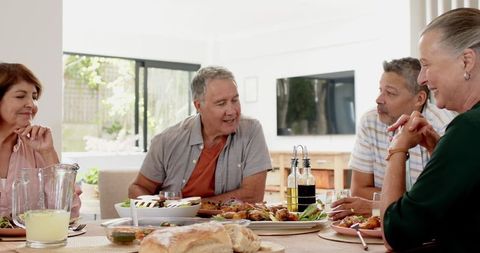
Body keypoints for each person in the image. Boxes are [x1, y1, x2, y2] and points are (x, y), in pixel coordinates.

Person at [381, 8, 480, 252]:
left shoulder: (469, 129)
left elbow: (395, 235)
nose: (422, 78)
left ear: (466, 61)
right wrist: (442, 150)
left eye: (426, 65)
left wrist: (398, 149)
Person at [329, 57, 456, 221]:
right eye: (380, 90)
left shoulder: (443, 126)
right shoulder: (370, 121)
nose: (379, 99)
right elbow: (359, 190)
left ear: (419, 99)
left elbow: (439, 200)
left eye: (390, 93)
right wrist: (404, 204)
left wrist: (376, 206)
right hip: (386, 224)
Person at [129, 66, 271, 203]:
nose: (232, 111)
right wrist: (158, 208)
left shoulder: (251, 130)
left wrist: (189, 207)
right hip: (173, 224)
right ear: (198, 106)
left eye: (235, 100)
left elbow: (253, 196)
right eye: (221, 103)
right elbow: (138, 188)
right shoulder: (166, 141)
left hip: (228, 225)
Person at [0, 63, 81, 218]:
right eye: (20, 96)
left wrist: (48, 153)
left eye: (34, 97)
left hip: (29, 241)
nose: (31, 104)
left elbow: (69, 214)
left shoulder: (36, 149)